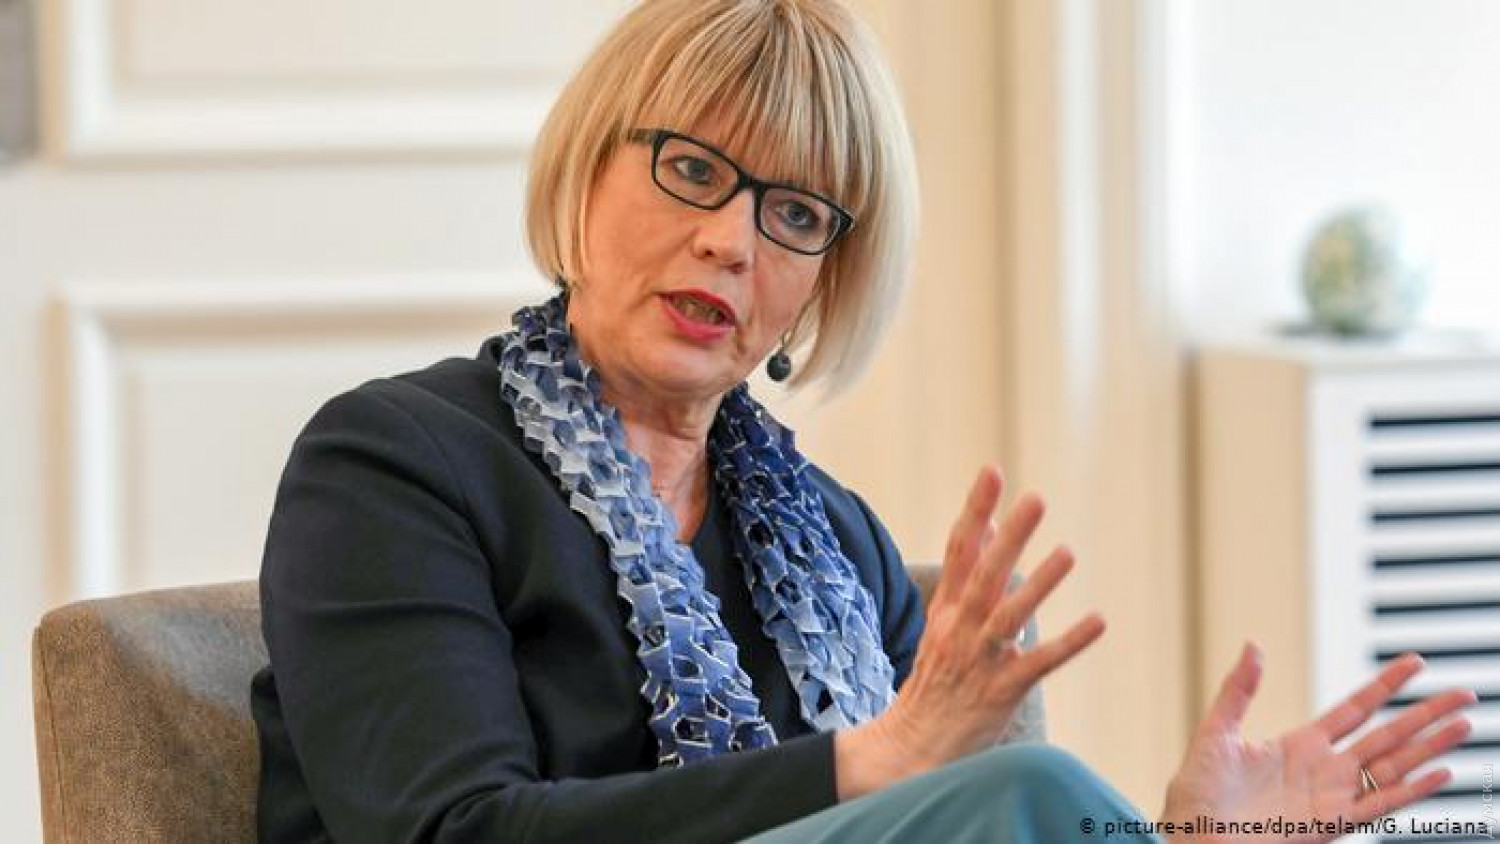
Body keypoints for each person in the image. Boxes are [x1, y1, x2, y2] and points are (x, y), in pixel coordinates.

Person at [251, 1, 1477, 841]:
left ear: (825, 280)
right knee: (1032, 784)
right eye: (692, 169)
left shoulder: (839, 549)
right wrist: (865, 764)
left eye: (794, 215)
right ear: (585, 175)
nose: (730, 239)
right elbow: (447, 832)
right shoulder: (395, 466)